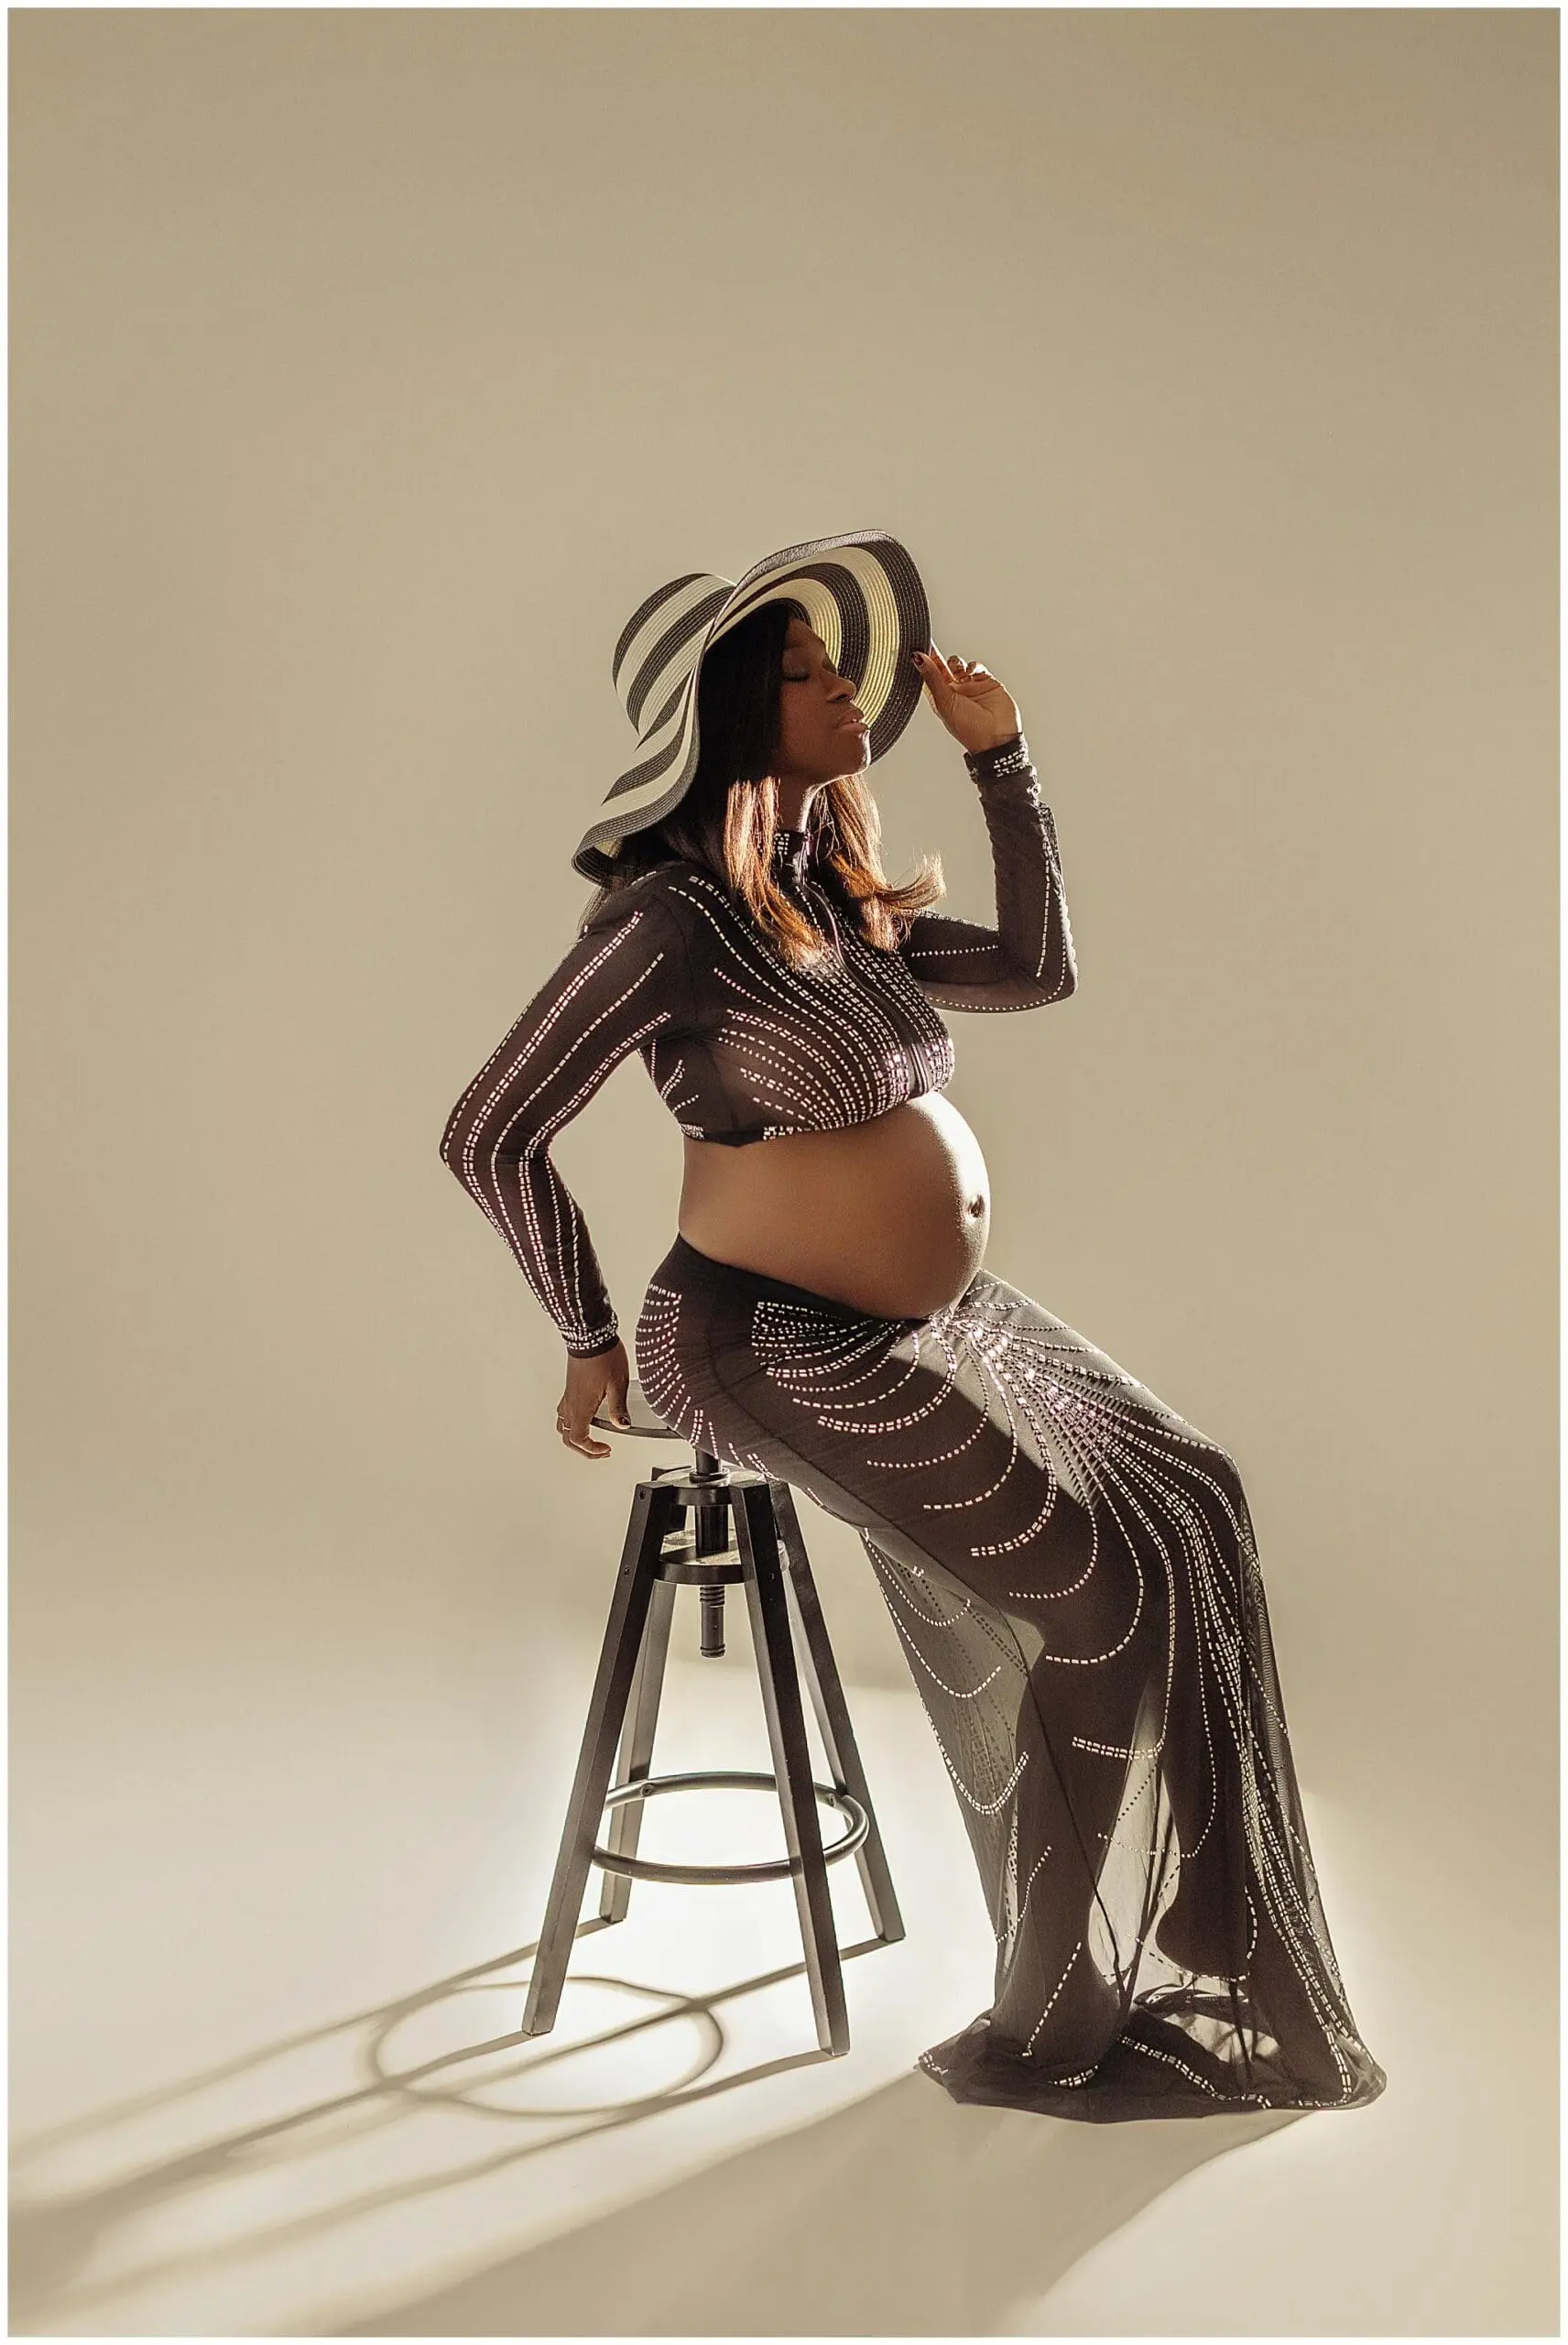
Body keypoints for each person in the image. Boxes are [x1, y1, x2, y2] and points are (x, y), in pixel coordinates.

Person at [439, 528, 1387, 2121]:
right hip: (761, 1338)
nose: (850, 696)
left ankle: (1205, 1911)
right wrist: (584, 1331)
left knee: (1197, 1493)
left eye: (837, 667)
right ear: (727, 720)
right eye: (804, 676)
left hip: (928, 1321)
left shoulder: (828, 892)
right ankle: (1059, 1994)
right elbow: (490, 1131)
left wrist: (1006, 765)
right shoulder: (667, 922)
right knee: (1095, 1592)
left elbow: (1035, 969)